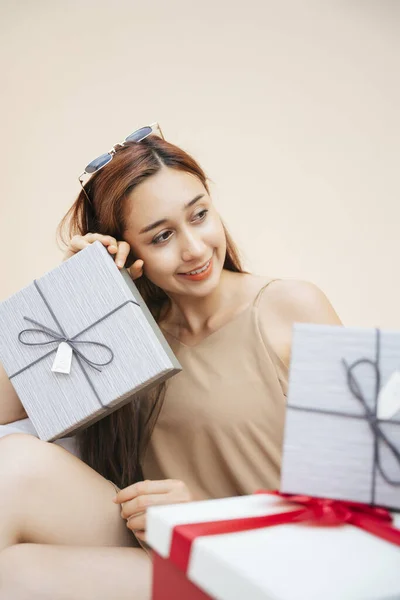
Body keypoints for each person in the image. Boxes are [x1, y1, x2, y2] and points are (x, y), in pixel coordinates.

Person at [0, 123, 342, 599]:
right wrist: (78, 290)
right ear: (127, 249)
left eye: (199, 215)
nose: (195, 249)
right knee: (11, 473)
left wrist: (204, 512)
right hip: (169, 554)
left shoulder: (291, 308)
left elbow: (357, 505)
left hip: (271, 567)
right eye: (161, 237)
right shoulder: (123, 334)